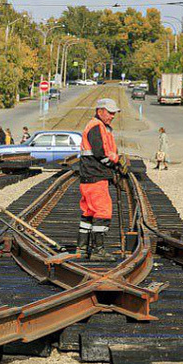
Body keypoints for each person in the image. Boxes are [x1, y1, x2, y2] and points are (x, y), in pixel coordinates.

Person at [77, 98, 129, 262]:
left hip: (90, 176)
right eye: (110, 112)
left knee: (89, 212)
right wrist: (115, 164)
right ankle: (98, 250)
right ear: (100, 111)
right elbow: (101, 153)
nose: (113, 116)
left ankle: (83, 248)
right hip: (96, 175)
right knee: (103, 211)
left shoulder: (98, 126)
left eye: (114, 113)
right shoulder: (96, 127)